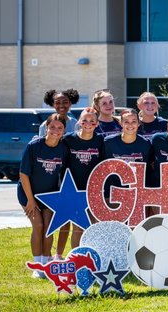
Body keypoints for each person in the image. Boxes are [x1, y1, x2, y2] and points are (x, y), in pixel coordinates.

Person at [19, 113, 69, 276]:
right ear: (46, 127)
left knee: (48, 228)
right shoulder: (34, 146)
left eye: (60, 128)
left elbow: (65, 173)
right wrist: (30, 200)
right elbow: (23, 174)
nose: (56, 130)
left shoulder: (63, 148)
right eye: (52, 127)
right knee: (38, 226)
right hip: (28, 194)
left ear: (64, 130)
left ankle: (46, 263)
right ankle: (37, 265)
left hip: (50, 196)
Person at [38, 88, 80, 259]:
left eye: (65, 102)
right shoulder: (45, 125)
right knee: (48, 219)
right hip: (52, 175)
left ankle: (58, 254)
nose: (61, 105)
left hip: (70, 175)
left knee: (66, 217)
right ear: (52, 103)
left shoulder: (75, 123)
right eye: (57, 102)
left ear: (71, 103)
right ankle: (45, 254)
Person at [62, 107, 105, 249]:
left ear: (97, 123)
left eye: (92, 121)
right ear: (79, 122)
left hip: (93, 189)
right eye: (85, 120)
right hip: (74, 190)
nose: (88, 123)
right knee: (78, 227)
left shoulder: (100, 140)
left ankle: (92, 255)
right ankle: (76, 256)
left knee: (93, 225)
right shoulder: (68, 139)